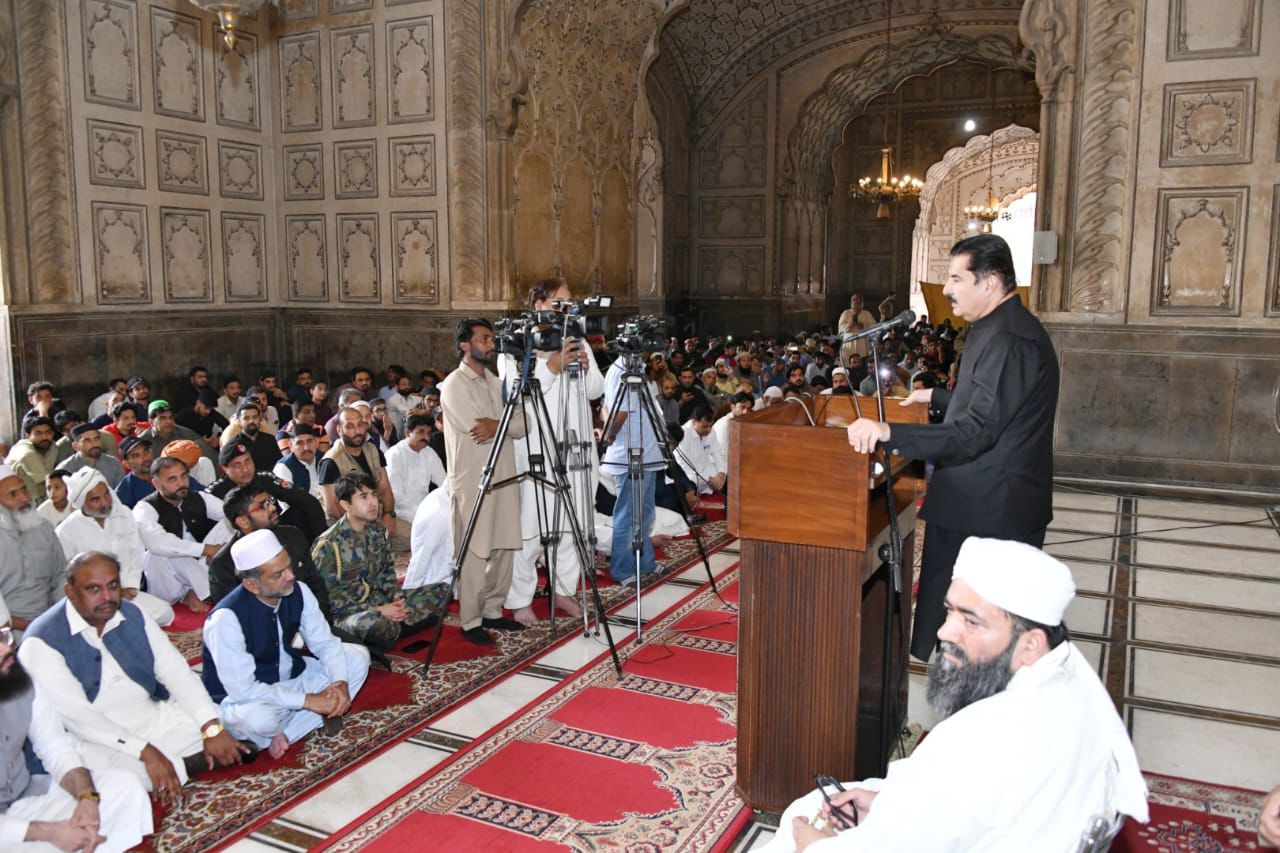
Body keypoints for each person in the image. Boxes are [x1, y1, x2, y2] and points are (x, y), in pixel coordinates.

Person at [764, 538, 1148, 852]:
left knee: (800, 818)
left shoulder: (984, 738)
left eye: (971, 621)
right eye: (949, 612)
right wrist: (887, 806)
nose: (945, 632)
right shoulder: (1068, 682)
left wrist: (814, 846)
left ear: (1030, 644)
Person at [847, 234, 1059, 661]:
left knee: (989, 635)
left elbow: (976, 431)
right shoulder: (994, 327)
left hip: (993, 513)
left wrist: (890, 433)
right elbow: (996, 403)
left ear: (991, 281)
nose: (946, 289)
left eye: (956, 278)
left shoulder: (1011, 339)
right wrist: (939, 398)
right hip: (977, 500)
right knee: (963, 624)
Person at [19, 552, 254, 804]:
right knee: (126, 777)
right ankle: (187, 763)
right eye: (93, 589)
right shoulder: (41, 642)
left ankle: (182, 763)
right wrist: (145, 752)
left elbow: (176, 672)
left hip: (151, 716)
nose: (107, 597)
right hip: (92, 739)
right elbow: (80, 720)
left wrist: (211, 727)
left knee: (225, 720)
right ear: (70, 592)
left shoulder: (132, 613)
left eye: (112, 586)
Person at [202, 530, 369, 759]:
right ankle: (287, 724)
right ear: (252, 585)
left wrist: (339, 683)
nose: (290, 576)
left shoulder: (298, 590)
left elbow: (325, 643)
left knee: (357, 658)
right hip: (250, 697)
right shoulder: (225, 619)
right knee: (257, 719)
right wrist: (309, 701)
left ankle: (284, 734)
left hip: (293, 677)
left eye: (288, 567)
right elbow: (243, 690)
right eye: (278, 574)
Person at [499, 278, 604, 625]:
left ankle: (563, 590)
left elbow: (595, 391)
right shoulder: (517, 340)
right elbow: (515, 393)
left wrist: (584, 366)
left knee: (573, 525)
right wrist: (551, 367)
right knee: (533, 526)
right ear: (539, 303)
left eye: (569, 303)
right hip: (538, 447)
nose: (566, 309)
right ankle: (520, 599)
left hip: (577, 447)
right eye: (559, 302)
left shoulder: (577, 337)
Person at [0, 624, 154, 853]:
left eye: (2, 636)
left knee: (125, 787)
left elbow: (54, 747)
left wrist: (87, 797)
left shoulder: (16, 677)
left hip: (25, 799)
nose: (5, 649)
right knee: (45, 844)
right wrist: (49, 832)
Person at [438, 319, 527, 645]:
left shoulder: (494, 381)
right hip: (473, 480)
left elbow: (522, 423)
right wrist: (499, 423)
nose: (491, 345)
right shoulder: (454, 385)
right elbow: (478, 430)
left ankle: (493, 611)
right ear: (465, 345)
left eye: (492, 339)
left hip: (504, 476)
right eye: (485, 339)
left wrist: (497, 422)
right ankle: (470, 619)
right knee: (475, 551)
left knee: (505, 546)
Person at [311, 473, 446, 655]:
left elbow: (387, 574)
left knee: (443, 590)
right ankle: (397, 626)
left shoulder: (378, 531)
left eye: (374, 495)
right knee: (371, 623)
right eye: (363, 497)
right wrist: (379, 610)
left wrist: (395, 599)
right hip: (350, 615)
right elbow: (330, 603)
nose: (373, 502)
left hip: (380, 602)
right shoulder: (328, 545)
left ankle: (393, 628)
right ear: (345, 505)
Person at [57, 468, 174, 627]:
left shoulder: (123, 514)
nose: (105, 502)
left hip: (126, 592)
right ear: (81, 502)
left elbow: (136, 553)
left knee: (165, 613)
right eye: (96, 499)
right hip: (93, 601)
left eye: (106, 494)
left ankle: (121, 625)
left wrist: (130, 587)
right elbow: (68, 576)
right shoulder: (66, 531)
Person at [207, 484, 332, 619]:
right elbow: (238, 617)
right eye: (262, 506)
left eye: (270, 501)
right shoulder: (223, 566)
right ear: (243, 521)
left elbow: (315, 584)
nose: (273, 508)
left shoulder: (293, 536)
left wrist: (321, 621)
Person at [601, 348, 667, 583]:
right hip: (631, 455)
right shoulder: (622, 370)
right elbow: (619, 411)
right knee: (629, 517)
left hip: (648, 453)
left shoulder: (638, 368)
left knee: (645, 515)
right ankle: (623, 569)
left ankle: (645, 562)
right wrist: (608, 434)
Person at [134, 457, 230, 613]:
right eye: (173, 479)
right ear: (157, 484)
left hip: (200, 567)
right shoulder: (144, 508)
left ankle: (199, 591)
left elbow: (234, 515)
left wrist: (222, 550)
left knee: (231, 522)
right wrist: (206, 549)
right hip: (166, 581)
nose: (181, 483)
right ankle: (197, 593)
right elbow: (156, 543)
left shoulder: (199, 498)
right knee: (162, 551)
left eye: (184, 476)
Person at [210, 438, 327, 544]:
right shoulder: (215, 492)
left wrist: (322, 538)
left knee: (300, 510)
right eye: (237, 465)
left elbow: (304, 499)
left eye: (248, 461)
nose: (245, 469)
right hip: (243, 541)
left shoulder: (264, 478)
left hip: (274, 528)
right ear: (225, 468)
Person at [0, 464, 66, 635]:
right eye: (13, 494)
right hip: (8, 629)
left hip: (50, 620)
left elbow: (60, 576)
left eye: (24, 490)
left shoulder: (43, 527)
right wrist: (29, 626)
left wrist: (58, 616)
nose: (23, 498)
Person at [384, 413, 446, 553]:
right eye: (420, 432)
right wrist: (423, 516)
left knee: (445, 532)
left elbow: (445, 483)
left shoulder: (429, 452)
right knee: (424, 539)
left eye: (429, 432)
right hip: (400, 514)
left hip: (425, 512)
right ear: (407, 432)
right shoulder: (395, 455)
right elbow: (396, 495)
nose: (426, 437)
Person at [6, 416, 60, 503]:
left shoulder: (52, 446)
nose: (44, 437)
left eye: (48, 432)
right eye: (38, 433)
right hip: (16, 501)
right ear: (28, 435)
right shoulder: (25, 451)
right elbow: (44, 480)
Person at [273, 422, 325, 504]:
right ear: (290, 445)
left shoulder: (325, 460)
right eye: (299, 443)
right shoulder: (283, 468)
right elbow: (288, 503)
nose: (306, 447)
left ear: (316, 442)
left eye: (309, 441)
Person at [60, 424, 126, 489]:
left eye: (96, 439)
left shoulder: (114, 463)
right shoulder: (65, 469)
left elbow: (122, 493)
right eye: (87, 440)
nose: (94, 444)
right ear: (75, 446)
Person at [838, 293, 878, 365]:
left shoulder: (867, 314)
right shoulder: (846, 313)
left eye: (858, 301)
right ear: (851, 302)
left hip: (862, 341)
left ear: (861, 302)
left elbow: (874, 327)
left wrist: (864, 326)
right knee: (847, 362)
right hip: (849, 341)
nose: (856, 303)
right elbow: (841, 327)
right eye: (854, 300)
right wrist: (850, 326)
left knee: (862, 361)